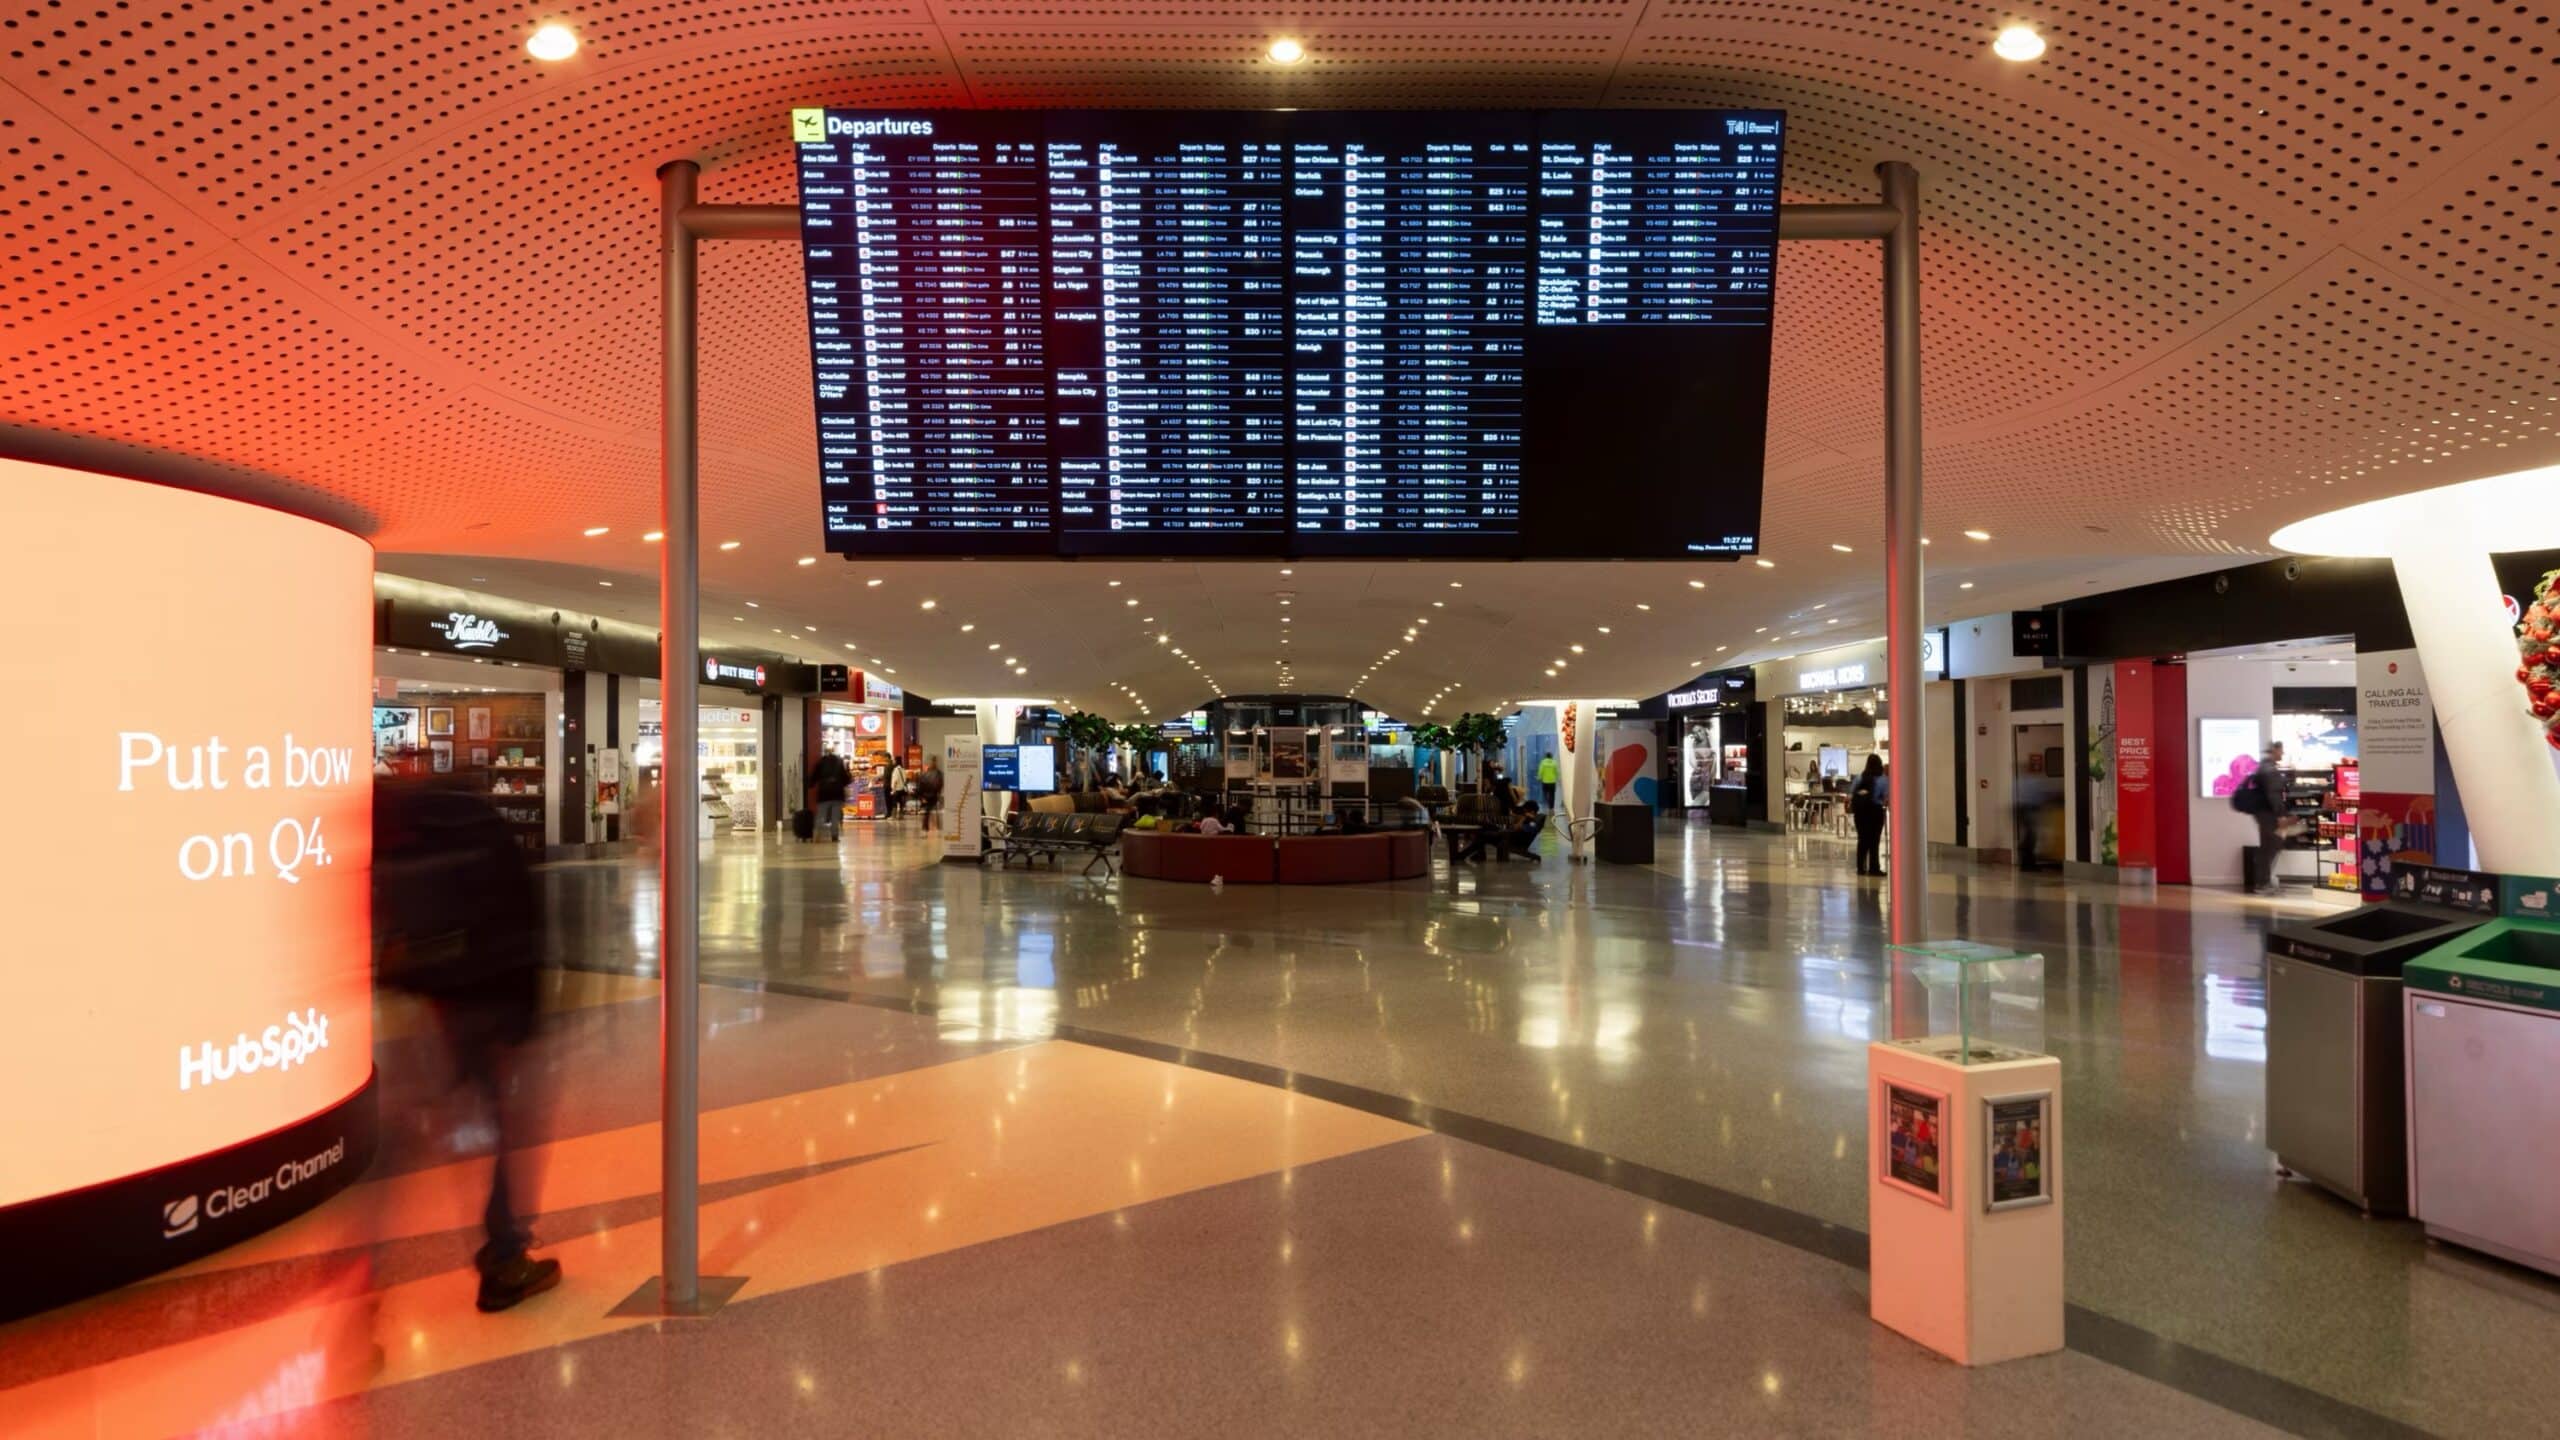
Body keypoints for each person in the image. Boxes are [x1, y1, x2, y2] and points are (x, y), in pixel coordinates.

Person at [373, 778, 560, 1313]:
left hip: (431, 1007)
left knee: (402, 1145)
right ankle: (504, 1258)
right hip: (491, 1000)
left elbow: (388, 933)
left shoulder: (399, 840)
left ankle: (360, 1284)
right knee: (510, 1126)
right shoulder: (479, 827)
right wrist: (526, 1013)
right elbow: (522, 916)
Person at [2246, 741, 2290, 894]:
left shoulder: (2265, 767)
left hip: (2263, 813)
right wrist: (2280, 816)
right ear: (2274, 750)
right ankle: (2262, 884)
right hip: (2268, 814)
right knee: (2270, 846)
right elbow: (2273, 795)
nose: (2282, 754)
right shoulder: (2269, 769)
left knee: (2269, 846)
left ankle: (2264, 882)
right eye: (2281, 751)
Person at [1851, 753, 1888, 877]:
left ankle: (1860, 868)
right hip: (1875, 812)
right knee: (1874, 841)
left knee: (1862, 840)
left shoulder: (1859, 777)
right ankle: (1874, 868)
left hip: (1860, 813)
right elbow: (1885, 796)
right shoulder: (1882, 779)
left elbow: (1852, 791)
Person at [808, 748, 851, 840]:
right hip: (837, 793)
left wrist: (811, 784)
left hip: (824, 793)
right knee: (835, 816)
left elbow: (814, 776)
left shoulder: (821, 762)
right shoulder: (839, 763)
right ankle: (834, 836)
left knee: (821, 814)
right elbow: (846, 779)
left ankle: (817, 833)